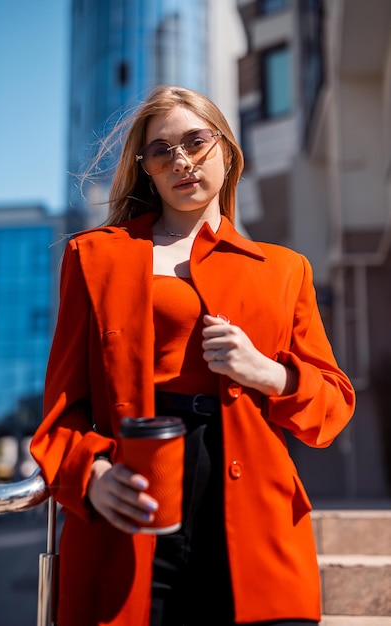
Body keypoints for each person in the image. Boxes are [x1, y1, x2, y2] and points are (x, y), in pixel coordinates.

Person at [30, 85, 356, 626]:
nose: (181, 161)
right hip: (132, 496)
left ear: (228, 151)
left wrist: (267, 373)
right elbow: (62, 406)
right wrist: (92, 473)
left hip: (254, 515)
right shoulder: (94, 257)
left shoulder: (284, 268)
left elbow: (333, 406)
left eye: (196, 142)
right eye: (161, 151)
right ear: (148, 170)